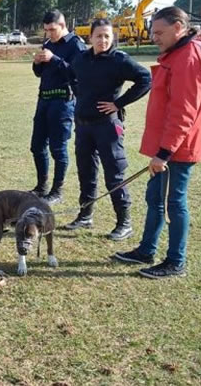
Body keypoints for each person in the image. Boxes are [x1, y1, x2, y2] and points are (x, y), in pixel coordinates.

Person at [113, 6, 201, 279]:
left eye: (160, 32)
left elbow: (184, 111)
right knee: (155, 198)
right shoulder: (180, 53)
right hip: (168, 146)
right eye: (153, 32)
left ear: (178, 28)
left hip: (177, 149)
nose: (154, 37)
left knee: (174, 202)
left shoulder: (189, 57)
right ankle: (146, 249)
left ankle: (175, 260)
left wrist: (164, 153)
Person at [64, 19, 151, 241]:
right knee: (86, 173)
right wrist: (78, 94)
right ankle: (85, 215)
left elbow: (145, 79)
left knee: (114, 174)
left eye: (107, 36)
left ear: (112, 38)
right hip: (83, 127)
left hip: (107, 127)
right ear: (90, 37)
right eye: (98, 36)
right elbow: (71, 75)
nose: (102, 40)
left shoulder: (119, 60)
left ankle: (124, 222)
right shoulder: (81, 59)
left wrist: (119, 103)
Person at [30, 10, 84, 205]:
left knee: (58, 148)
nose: (49, 34)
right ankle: (41, 187)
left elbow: (78, 73)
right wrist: (37, 63)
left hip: (63, 102)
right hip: (43, 100)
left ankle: (56, 190)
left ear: (63, 25)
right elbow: (40, 73)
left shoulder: (75, 44)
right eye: (46, 30)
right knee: (37, 146)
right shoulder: (48, 44)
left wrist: (54, 59)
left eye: (52, 30)